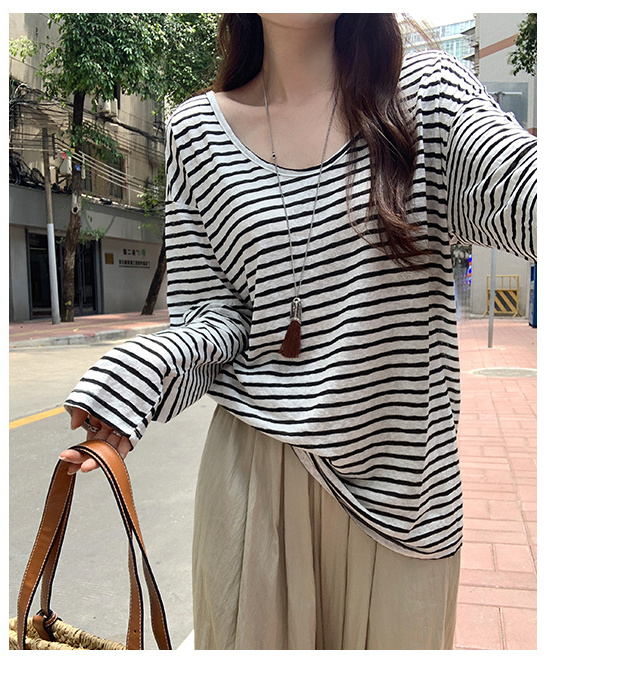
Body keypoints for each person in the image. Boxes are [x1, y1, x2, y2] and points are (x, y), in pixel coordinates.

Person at [60, 13, 537, 650]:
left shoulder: (429, 97)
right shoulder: (196, 133)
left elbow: (524, 191)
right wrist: (146, 372)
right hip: (256, 488)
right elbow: (216, 319)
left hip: (405, 501)